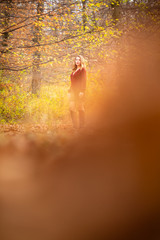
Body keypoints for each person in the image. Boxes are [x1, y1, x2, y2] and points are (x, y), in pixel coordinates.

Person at [68, 55, 87, 129]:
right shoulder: (74, 70)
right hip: (73, 91)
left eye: (79, 60)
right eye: (76, 60)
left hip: (79, 91)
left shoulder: (83, 70)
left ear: (81, 61)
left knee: (80, 107)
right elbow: (72, 82)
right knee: (71, 107)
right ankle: (75, 126)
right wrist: (69, 90)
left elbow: (84, 81)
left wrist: (82, 91)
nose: (77, 61)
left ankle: (82, 126)